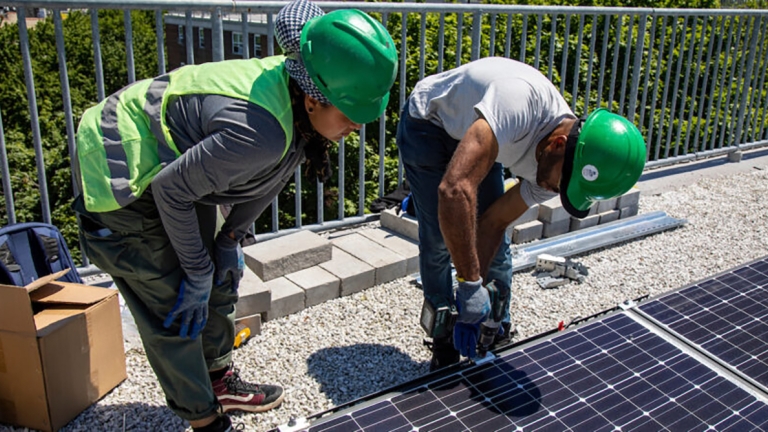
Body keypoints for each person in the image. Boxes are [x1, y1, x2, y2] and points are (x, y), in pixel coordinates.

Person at [71, 0, 397, 430]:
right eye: (351, 114)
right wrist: (196, 270)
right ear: (314, 98)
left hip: (176, 171)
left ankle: (216, 379)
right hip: (123, 164)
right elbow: (171, 191)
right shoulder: (261, 130)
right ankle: (205, 420)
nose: (357, 126)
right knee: (173, 302)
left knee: (218, 273)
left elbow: (273, 176)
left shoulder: (296, 104)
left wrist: (228, 240)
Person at [396, 56, 646, 371]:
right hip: (429, 124)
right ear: (557, 143)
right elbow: (454, 189)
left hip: (484, 133)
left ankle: (494, 326)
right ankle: (443, 337)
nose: (556, 193)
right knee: (438, 240)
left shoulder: (557, 171)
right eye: (561, 185)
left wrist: (475, 296)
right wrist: (471, 284)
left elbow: (492, 223)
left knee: (494, 244)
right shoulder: (517, 105)